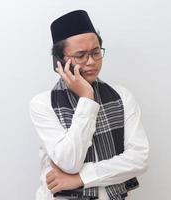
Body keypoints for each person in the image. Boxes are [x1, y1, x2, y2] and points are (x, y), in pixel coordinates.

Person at [29, 10, 149, 200]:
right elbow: (70, 162)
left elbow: (139, 159)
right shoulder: (43, 104)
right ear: (59, 61)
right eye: (80, 55)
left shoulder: (121, 96)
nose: (91, 62)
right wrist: (87, 98)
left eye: (95, 52)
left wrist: (80, 178)